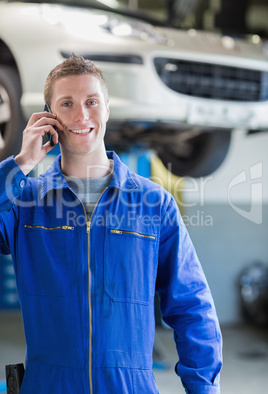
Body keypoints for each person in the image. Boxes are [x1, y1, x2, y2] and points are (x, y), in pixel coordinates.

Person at [0, 55, 222, 393]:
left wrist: (204, 388)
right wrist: (22, 162)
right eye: (66, 103)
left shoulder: (153, 204)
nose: (81, 115)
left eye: (91, 102)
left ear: (107, 110)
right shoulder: (25, 202)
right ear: (48, 115)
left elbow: (192, 306)